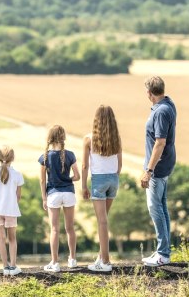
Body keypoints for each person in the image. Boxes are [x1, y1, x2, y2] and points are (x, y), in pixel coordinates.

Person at [141, 76, 177, 267]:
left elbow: (160, 142)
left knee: (155, 208)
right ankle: (163, 250)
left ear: (149, 93)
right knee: (162, 207)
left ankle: (163, 254)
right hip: (164, 164)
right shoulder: (168, 104)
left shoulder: (161, 111)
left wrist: (149, 170)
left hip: (158, 167)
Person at [81, 105, 122, 272]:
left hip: (98, 180)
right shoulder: (117, 138)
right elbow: (120, 164)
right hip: (113, 179)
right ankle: (100, 258)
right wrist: (114, 177)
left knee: (102, 221)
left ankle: (105, 261)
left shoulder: (88, 139)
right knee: (104, 220)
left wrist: (84, 186)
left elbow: (84, 165)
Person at [39, 125, 80, 272]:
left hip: (53, 194)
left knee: (54, 229)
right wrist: (67, 178)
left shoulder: (45, 157)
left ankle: (55, 263)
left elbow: (43, 181)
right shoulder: (70, 155)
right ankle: (73, 259)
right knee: (70, 228)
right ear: (63, 137)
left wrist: (44, 198)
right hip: (68, 192)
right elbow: (77, 176)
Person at [0, 145, 24, 276]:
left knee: (1, 239)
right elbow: (18, 196)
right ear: (12, 158)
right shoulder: (18, 175)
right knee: (12, 239)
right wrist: (13, 205)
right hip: (11, 211)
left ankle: (5, 267)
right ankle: (13, 267)